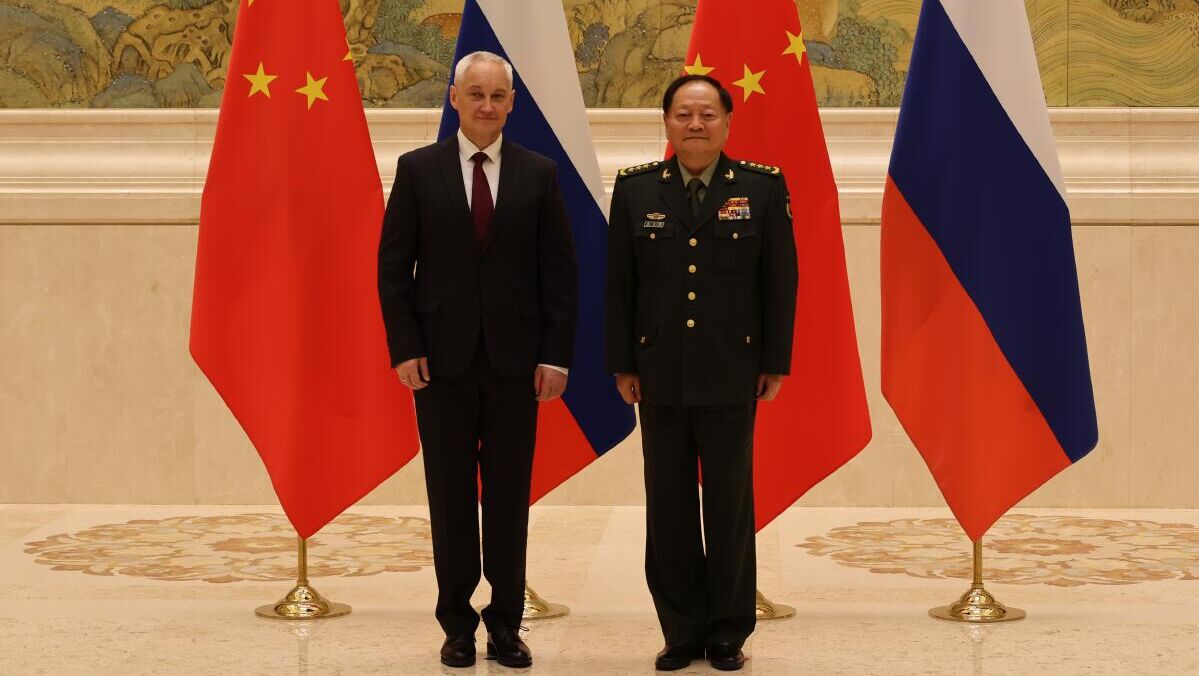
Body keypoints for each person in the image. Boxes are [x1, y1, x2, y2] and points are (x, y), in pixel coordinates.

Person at [377, 50, 577, 669]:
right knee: (451, 497)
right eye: (476, 94)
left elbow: (560, 275)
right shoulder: (417, 170)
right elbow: (393, 269)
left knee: (510, 499)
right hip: (440, 365)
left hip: (518, 366)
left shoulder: (540, 173)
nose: (486, 106)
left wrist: (556, 356)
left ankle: (507, 625)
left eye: (497, 96)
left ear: (511, 104)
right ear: (454, 98)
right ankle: (457, 625)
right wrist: (405, 347)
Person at [605, 74, 798, 672]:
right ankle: (681, 629)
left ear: (727, 123)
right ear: (666, 122)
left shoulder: (761, 187)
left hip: (731, 370)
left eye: (708, 115)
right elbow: (619, 284)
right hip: (658, 372)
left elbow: (780, 281)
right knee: (668, 506)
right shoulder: (636, 190)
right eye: (684, 114)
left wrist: (774, 362)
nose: (695, 125)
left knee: (729, 505)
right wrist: (622, 363)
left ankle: (727, 632)